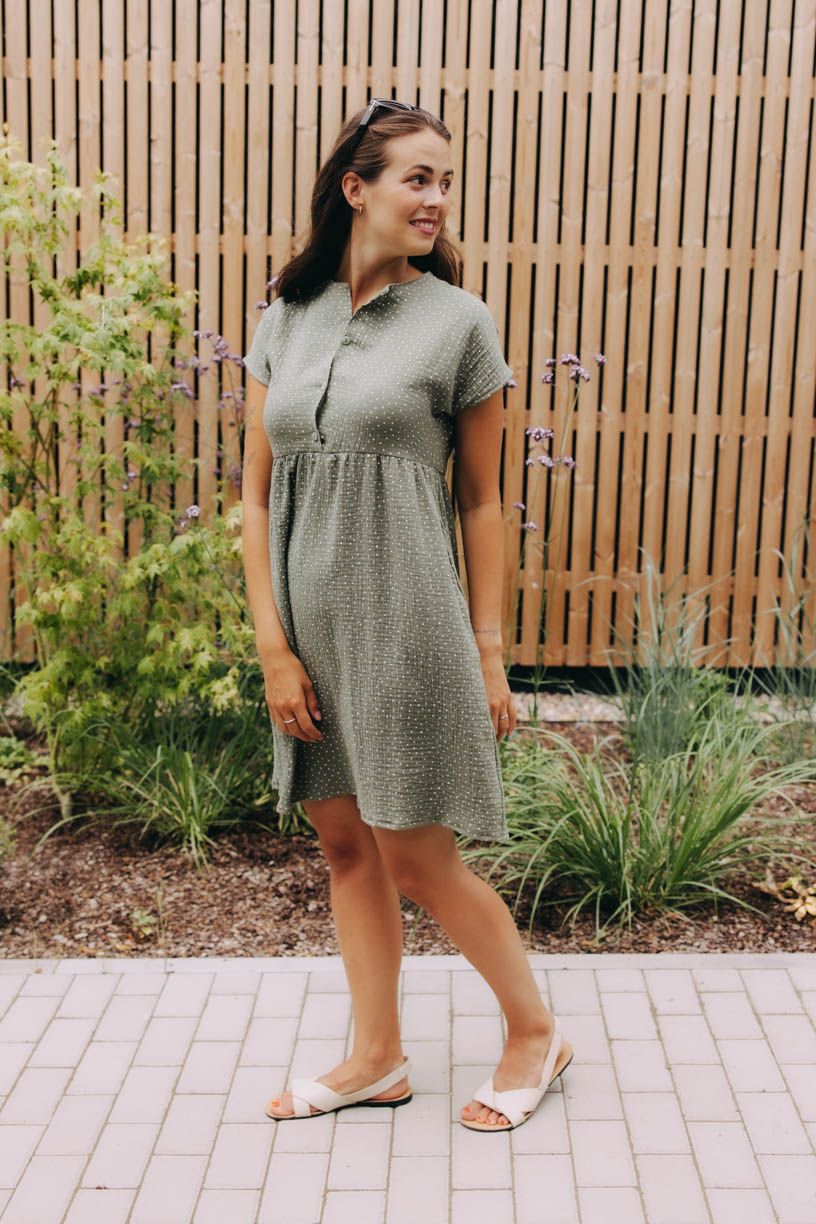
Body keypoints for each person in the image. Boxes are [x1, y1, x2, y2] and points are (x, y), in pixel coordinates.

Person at [241, 98, 573, 1132]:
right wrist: (272, 646)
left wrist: (489, 651)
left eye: (444, 182)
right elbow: (254, 496)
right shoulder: (286, 317)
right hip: (310, 630)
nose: (436, 199)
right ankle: (377, 1057)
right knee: (345, 847)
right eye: (416, 178)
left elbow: (482, 502)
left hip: (406, 624)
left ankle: (536, 1032)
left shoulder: (459, 323)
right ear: (357, 187)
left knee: (418, 856)